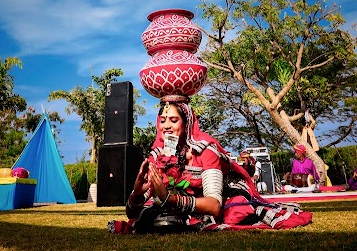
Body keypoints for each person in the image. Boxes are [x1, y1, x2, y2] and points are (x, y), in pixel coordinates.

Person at [109, 96, 313, 233]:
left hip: (221, 197)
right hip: (183, 204)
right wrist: (137, 194)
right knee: (145, 217)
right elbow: (131, 214)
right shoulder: (158, 155)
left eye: (173, 120)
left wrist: (170, 199)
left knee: (235, 213)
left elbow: (214, 207)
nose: (166, 126)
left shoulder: (205, 151)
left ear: (186, 123)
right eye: (162, 120)